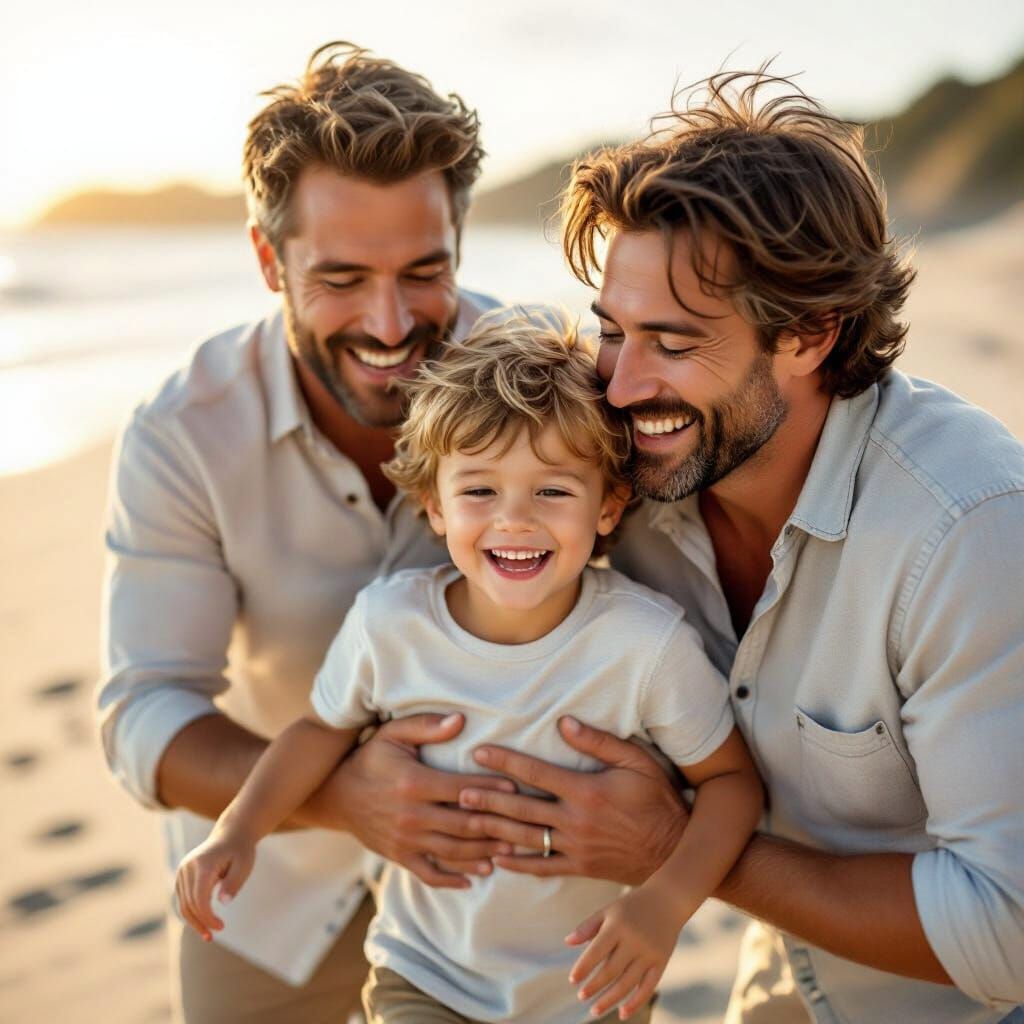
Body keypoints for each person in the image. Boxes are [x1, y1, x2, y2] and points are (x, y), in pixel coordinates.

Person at [452, 72, 1024, 1021]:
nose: (624, 385)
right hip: (786, 979)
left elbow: (1007, 934)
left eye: (672, 344)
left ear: (808, 333)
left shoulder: (968, 530)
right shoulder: (625, 473)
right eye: (610, 332)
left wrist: (667, 848)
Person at [174, 309, 764, 1024]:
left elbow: (731, 784)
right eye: (480, 490)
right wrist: (238, 830)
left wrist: (665, 905)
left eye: (552, 490)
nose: (515, 519)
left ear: (609, 505)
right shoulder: (390, 623)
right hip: (424, 973)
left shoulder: (645, 645)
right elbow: (316, 733)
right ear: (434, 504)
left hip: (591, 985)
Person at [97, 41, 513, 1022]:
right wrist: (344, 797)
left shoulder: (544, 382)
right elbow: (143, 712)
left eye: (424, 270)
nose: (389, 323)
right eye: (340, 277)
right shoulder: (183, 431)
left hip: (506, 894)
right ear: (265, 257)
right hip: (268, 892)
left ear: (458, 241)